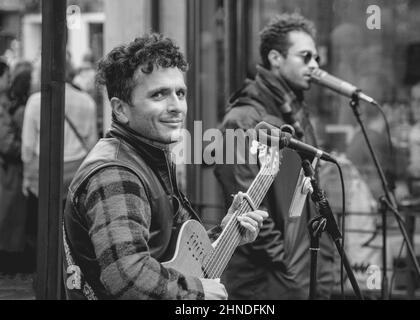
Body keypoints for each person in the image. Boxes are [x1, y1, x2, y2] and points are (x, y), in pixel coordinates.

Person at [63, 33, 268, 300]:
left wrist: (226, 234)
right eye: (159, 94)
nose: (177, 107)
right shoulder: (116, 172)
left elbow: (167, 256)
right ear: (121, 109)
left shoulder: (150, 155)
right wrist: (196, 292)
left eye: (180, 93)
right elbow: (127, 277)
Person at [214, 13, 336, 299]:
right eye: (305, 57)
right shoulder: (242, 118)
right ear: (275, 58)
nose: (315, 66)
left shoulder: (295, 111)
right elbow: (245, 205)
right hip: (266, 282)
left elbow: (311, 189)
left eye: (316, 58)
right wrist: (288, 266)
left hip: (301, 274)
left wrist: (323, 262)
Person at [21, 56, 98, 272]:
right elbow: (92, 143)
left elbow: (27, 146)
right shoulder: (86, 101)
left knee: (43, 225)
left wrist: (26, 177)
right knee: (72, 227)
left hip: (43, 170)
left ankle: (46, 271)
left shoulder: (36, 101)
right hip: (77, 171)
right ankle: (70, 272)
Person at [0, 61, 32, 273]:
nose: (9, 80)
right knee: (9, 218)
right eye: (5, 76)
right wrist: (26, 148)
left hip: (8, 170)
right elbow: (5, 142)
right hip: (8, 171)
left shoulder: (6, 103)